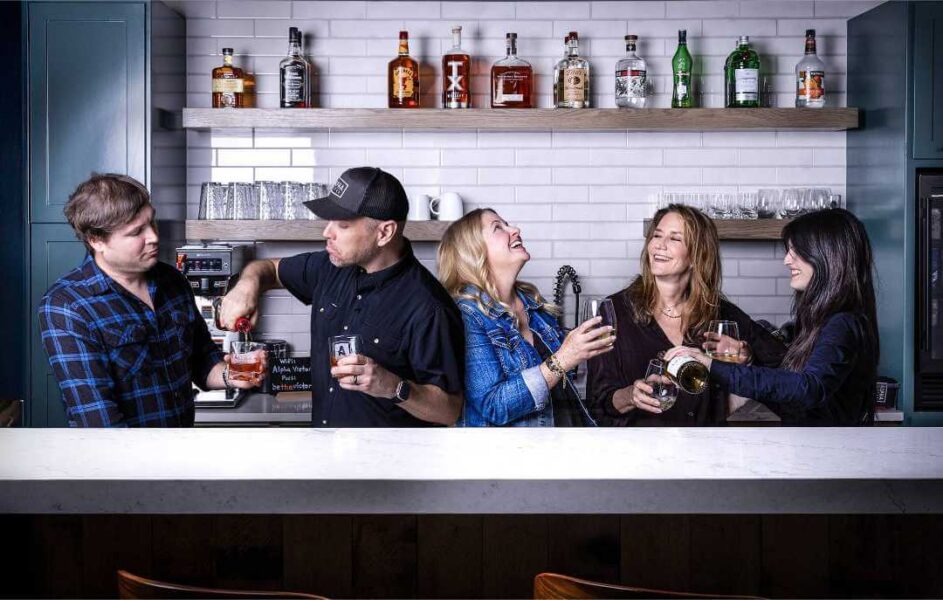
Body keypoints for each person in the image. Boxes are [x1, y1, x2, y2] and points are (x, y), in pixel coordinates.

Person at [219, 167, 464, 427]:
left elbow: (449, 411)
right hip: (324, 446)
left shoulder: (429, 307)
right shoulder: (329, 267)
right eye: (329, 221)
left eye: (342, 225)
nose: (327, 232)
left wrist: (393, 386)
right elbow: (268, 268)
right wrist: (247, 285)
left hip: (387, 453)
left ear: (384, 232)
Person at [39, 174, 262, 427]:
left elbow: (202, 361)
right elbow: (98, 420)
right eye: (136, 232)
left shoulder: (172, 281)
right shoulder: (68, 306)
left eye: (151, 222)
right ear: (96, 240)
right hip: (120, 452)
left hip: (178, 444)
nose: (154, 236)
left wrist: (233, 374)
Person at [665, 208, 879, 426]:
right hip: (814, 445)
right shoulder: (824, 321)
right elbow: (797, 404)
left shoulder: (842, 323)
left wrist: (712, 366)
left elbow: (808, 389)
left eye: (797, 251)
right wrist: (747, 363)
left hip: (831, 447)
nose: (787, 260)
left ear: (828, 255)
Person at [586, 204, 786, 426]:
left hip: (708, 444)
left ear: (696, 256)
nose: (659, 245)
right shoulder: (614, 311)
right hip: (640, 445)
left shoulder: (721, 313)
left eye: (675, 238)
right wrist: (630, 396)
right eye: (657, 235)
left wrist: (746, 360)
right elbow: (598, 403)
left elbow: (789, 372)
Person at [437, 208, 613, 427]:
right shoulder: (467, 315)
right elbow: (493, 405)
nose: (515, 229)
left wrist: (579, 350)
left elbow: (561, 389)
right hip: (511, 448)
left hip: (563, 441)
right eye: (498, 228)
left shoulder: (533, 305)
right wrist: (563, 359)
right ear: (473, 252)